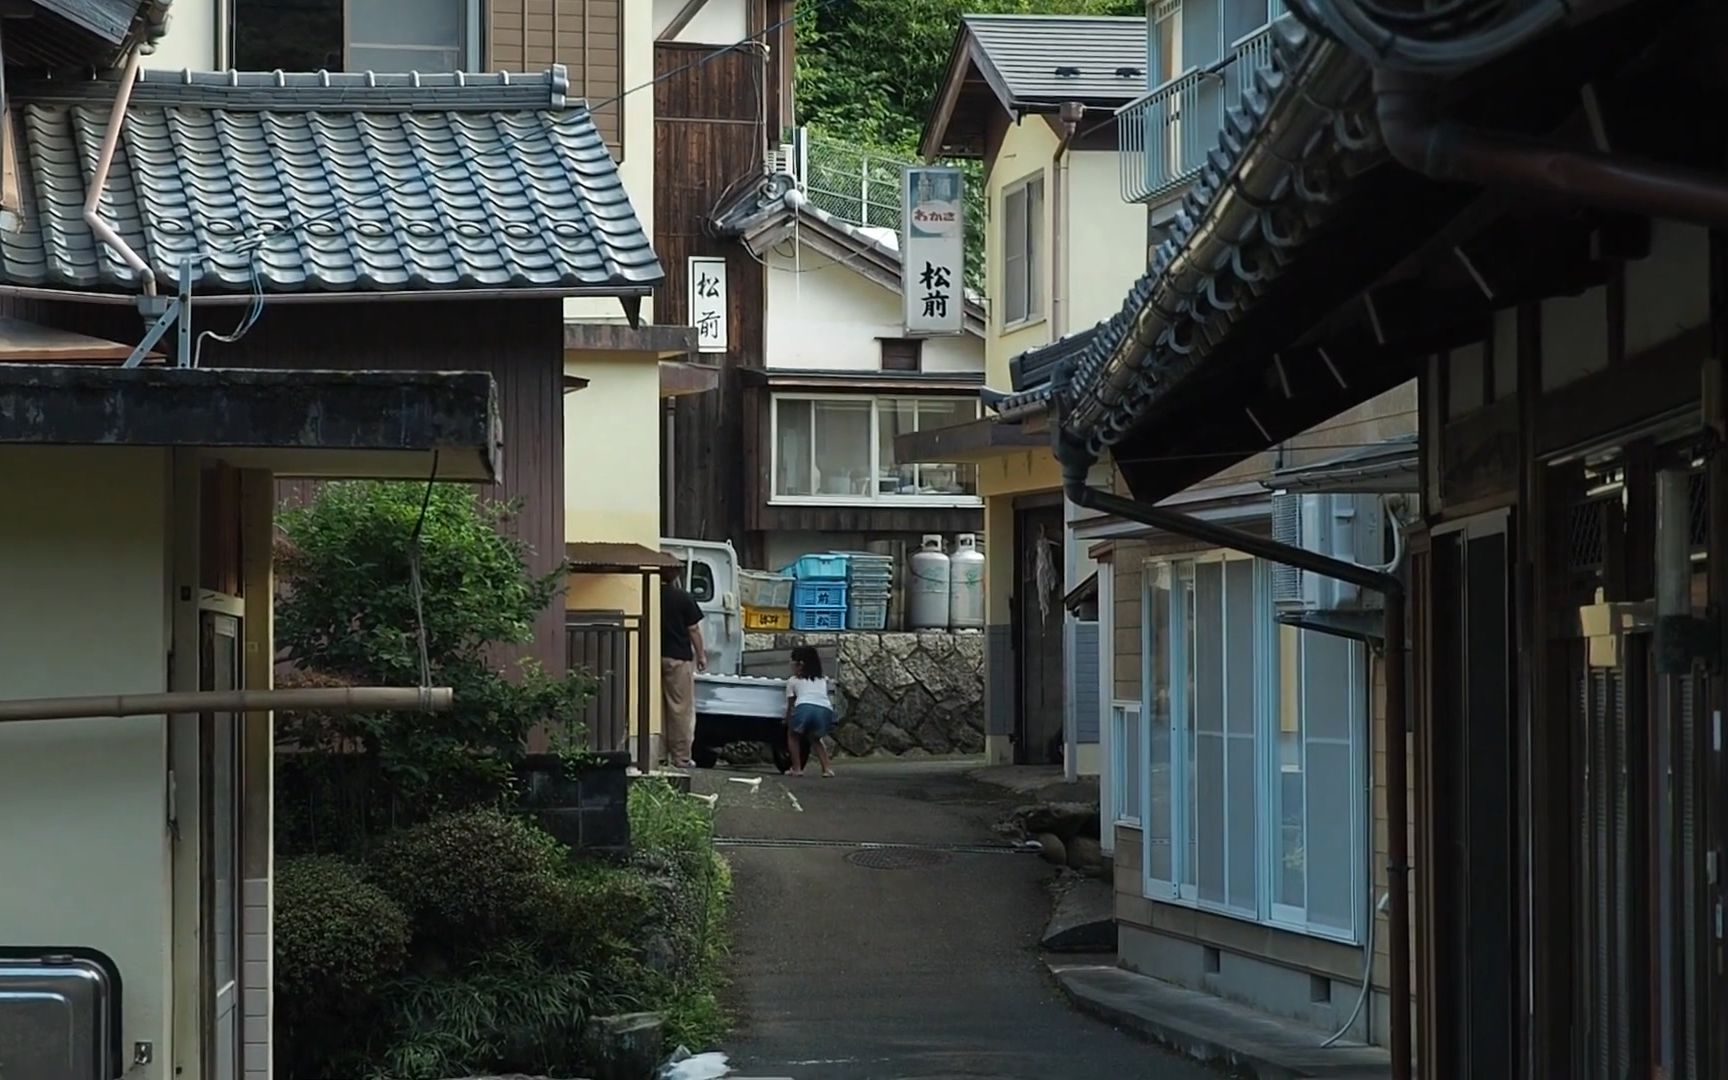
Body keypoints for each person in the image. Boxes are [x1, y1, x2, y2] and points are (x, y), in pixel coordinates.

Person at [660, 565, 707, 770]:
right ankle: (681, 757)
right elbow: (693, 629)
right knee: (680, 709)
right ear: (676, 575)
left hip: (653, 656)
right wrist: (701, 655)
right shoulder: (683, 598)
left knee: (657, 708)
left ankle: (659, 754)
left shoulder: (651, 595)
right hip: (678, 657)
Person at [783, 645, 836, 778]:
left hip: (804, 708)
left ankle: (796, 768)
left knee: (793, 735)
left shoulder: (793, 681)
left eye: (792, 662)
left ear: (800, 665)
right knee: (815, 738)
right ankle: (827, 769)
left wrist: (788, 719)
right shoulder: (822, 679)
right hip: (825, 710)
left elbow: (791, 705)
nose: (791, 665)